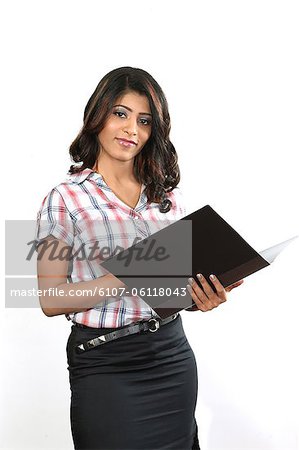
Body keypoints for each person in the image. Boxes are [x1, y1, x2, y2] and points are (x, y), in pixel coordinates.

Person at [35, 66, 243, 450]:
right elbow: (49, 300)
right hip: (104, 364)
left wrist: (200, 297)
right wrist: (127, 274)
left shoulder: (167, 198)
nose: (132, 129)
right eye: (120, 113)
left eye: (144, 121)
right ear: (98, 115)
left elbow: (169, 289)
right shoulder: (63, 198)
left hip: (171, 356)